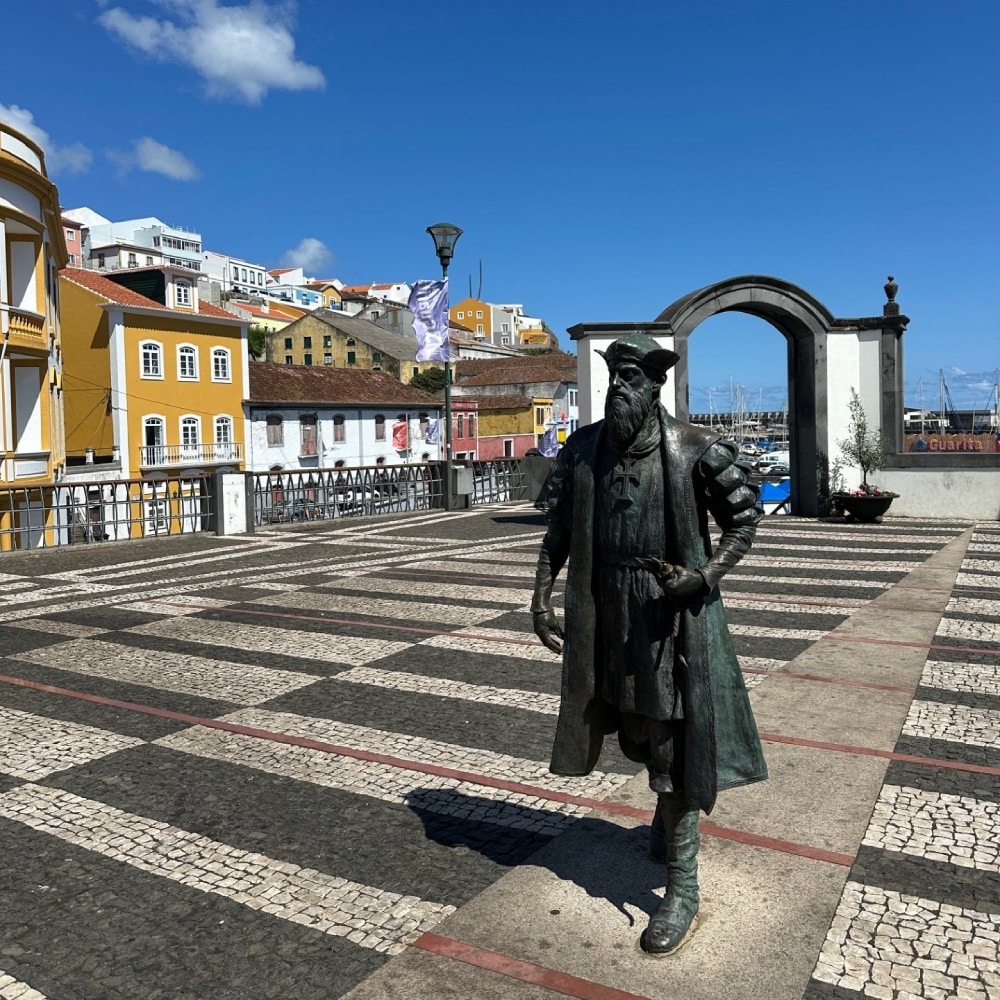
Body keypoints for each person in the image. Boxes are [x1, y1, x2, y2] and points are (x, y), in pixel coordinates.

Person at [532, 332, 767, 957]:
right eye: (613, 381)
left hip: (669, 612)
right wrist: (540, 592)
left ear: (654, 387)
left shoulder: (694, 449)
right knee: (631, 723)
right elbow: (557, 529)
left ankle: (681, 886)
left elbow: (744, 520)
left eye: (630, 382)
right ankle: (665, 826)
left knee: (673, 737)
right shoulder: (584, 450)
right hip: (604, 608)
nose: (618, 392)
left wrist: (706, 574)